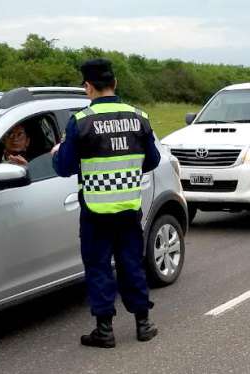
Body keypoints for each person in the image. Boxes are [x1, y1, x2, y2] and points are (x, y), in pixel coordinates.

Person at [51, 58, 161, 348]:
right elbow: (153, 160)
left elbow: (63, 167)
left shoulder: (80, 121)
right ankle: (143, 324)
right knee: (131, 264)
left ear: (88, 87)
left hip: (96, 212)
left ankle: (104, 330)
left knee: (99, 267)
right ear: (116, 83)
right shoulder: (139, 117)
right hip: (128, 208)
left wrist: (57, 151)